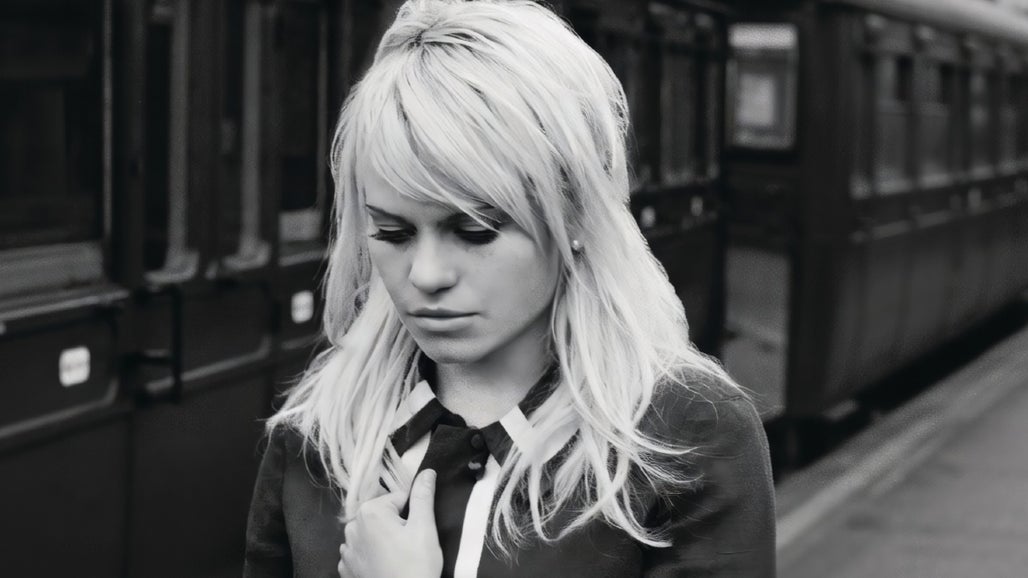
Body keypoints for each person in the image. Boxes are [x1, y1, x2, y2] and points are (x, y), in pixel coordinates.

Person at [243, 0, 775, 576]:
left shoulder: (685, 436)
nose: (426, 274)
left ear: (575, 213)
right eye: (393, 233)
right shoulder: (319, 431)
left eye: (474, 230)